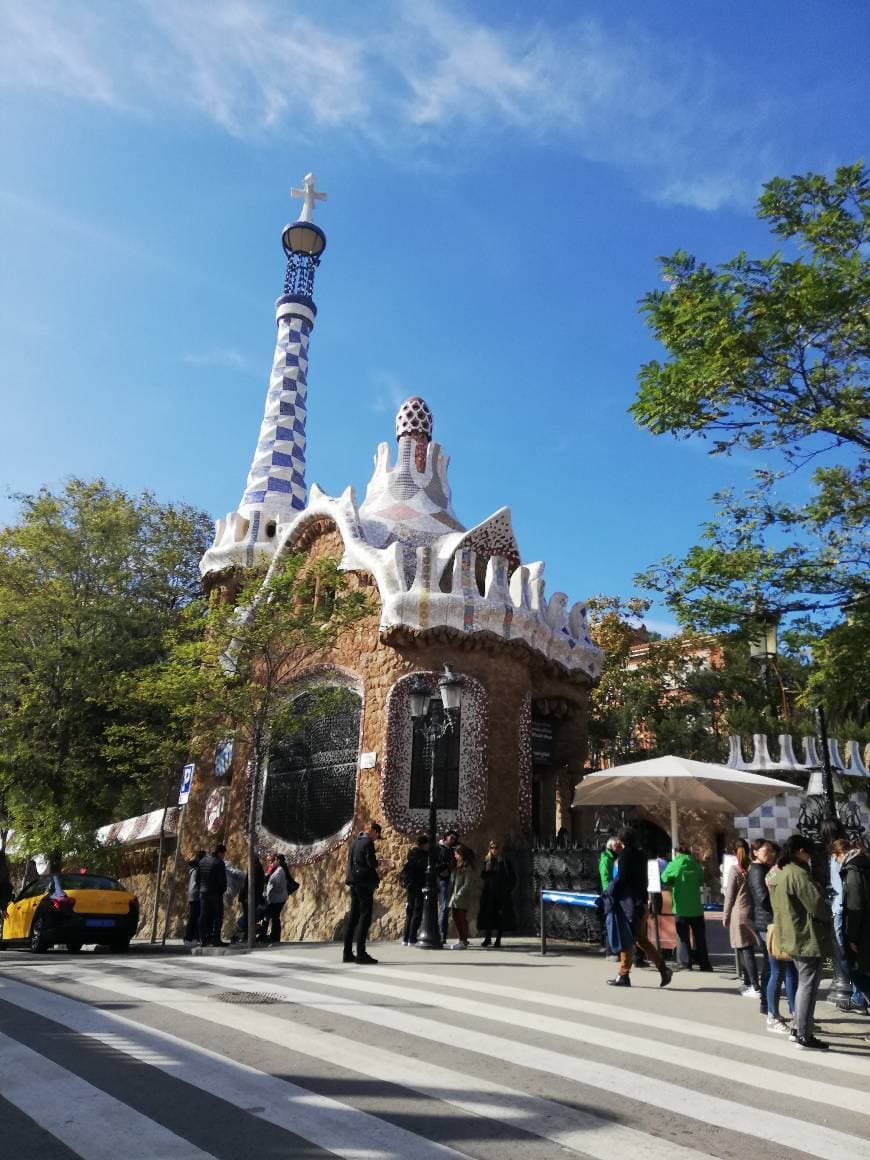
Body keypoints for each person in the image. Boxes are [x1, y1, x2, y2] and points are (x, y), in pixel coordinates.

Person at [768, 833, 831, 1051]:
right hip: (805, 936)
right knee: (808, 985)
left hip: (790, 935)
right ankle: (803, 1034)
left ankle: (799, 1029)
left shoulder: (779, 872)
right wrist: (828, 910)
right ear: (800, 852)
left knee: (802, 983)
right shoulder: (798, 874)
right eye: (808, 853)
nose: (810, 857)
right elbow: (816, 906)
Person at [603, 828, 672, 989]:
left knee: (627, 937)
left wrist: (610, 892)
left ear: (621, 840)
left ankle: (624, 975)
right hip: (640, 901)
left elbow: (622, 877)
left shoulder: (625, 855)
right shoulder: (641, 855)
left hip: (628, 903)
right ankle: (662, 969)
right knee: (640, 938)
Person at [763, 845, 798, 1033]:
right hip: (778, 926)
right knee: (777, 973)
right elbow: (764, 900)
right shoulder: (781, 874)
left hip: (780, 925)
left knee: (791, 972)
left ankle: (796, 1013)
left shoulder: (772, 873)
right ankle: (772, 1015)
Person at [661, 845, 713, 971]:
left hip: (681, 908)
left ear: (677, 852)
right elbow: (701, 881)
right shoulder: (696, 865)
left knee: (683, 937)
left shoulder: (674, 864)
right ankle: (704, 964)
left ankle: (686, 963)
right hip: (696, 907)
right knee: (700, 938)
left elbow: (663, 878)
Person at [833, 837, 870, 1010]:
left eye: (835, 857)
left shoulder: (853, 870)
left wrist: (852, 938)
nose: (836, 861)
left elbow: (855, 905)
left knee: (855, 970)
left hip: (862, 929)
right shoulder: (863, 864)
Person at [723, 839, 760, 997]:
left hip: (739, 913)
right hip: (753, 911)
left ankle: (755, 986)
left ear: (733, 852)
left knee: (745, 950)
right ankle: (747, 982)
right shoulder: (754, 868)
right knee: (746, 948)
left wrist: (725, 915)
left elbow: (730, 896)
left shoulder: (735, 870)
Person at [343, 821, 382, 964]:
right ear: (372, 831)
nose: (376, 838)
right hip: (364, 884)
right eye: (377, 835)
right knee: (365, 918)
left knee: (353, 918)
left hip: (353, 882)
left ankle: (347, 953)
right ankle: (361, 954)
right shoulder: (367, 843)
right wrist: (380, 862)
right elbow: (371, 863)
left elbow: (351, 862)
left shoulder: (355, 842)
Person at [747, 838, 775, 1017]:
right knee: (770, 966)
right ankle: (766, 1003)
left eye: (772, 851)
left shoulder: (764, 869)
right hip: (765, 922)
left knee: (771, 965)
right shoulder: (757, 870)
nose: (771, 854)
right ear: (755, 852)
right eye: (767, 851)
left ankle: (767, 1002)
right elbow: (762, 898)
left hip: (768, 921)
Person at [477, 840, 516, 947]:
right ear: (489, 849)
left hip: (501, 894)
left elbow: (512, 877)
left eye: (496, 848)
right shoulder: (487, 860)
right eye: (492, 848)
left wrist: (507, 890)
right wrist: (486, 870)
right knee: (488, 916)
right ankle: (488, 938)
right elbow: (483, 876)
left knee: (500, 917)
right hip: (489, 893)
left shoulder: (504, 861)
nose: (494, 850)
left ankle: (498, 939)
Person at [400, 833, 429, 946]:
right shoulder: (423, 857)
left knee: (409, 912)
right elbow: (423, 872)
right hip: (418, 887)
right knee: (417, 913)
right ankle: (412, 938)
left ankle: (405, 938)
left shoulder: (411, 855)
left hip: (410, 887)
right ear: (424, 844)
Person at [198, 844, 228, 947]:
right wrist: (221, 891)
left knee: (204, 916)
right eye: (223, 854)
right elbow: (222, 881)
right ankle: (216, 939)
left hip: (203, 893)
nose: (223, 856)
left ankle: (203, 939)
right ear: (220, 853)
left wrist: (201, 889)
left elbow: (198, 878)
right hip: (215, 893)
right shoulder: (219, 863)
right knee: (217, 916)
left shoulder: (202, 861)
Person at [448, 845, 475, 949]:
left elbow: (467, 883)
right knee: (456, 918)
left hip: (461, 897)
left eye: (457, 854)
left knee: (461, 918)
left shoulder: (467, 867)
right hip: (454, 897)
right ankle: (460, 939)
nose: (455, 855)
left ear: (462, 855)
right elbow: (452, 881)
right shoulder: (456, 866)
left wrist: (459, 894)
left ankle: (463, 941)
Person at [436, 830, 459, 943]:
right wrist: (446, 867)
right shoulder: (439, 849)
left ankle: (443, 934)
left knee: (446, 908)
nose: (453, 840)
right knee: (444, 907)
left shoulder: (452, 850)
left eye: (455, 839)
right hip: (441, 880)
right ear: (445, 838)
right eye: (451, 838)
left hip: (449, 880)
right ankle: (441, 934)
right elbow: (437, 864)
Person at [264, 853, 291, 944]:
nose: (273, 862)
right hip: (278, 897)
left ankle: (275, 937)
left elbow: (276, 882)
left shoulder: (280, 870)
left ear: (278, 861)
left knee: (274, 916)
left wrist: (268, 879)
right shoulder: (280, 869)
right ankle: (274, 936)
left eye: (274, 860)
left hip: (278, 898)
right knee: (274, 916)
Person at [183, 850, 205, 947]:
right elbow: (200, 882)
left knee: (194, 917)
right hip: (196, 896)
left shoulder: (193, 869)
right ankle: (189, 938)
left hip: (192, 895)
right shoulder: (198, 869)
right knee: (194, 918)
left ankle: (193, 937)